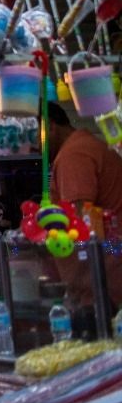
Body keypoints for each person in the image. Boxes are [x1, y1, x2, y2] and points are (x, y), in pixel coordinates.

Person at [49, 102, 122, 310]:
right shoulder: (85, 146)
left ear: (49, 126)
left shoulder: (74, 154)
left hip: (104, 287)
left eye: (31, 135)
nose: (30, 145)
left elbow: (82, 224)